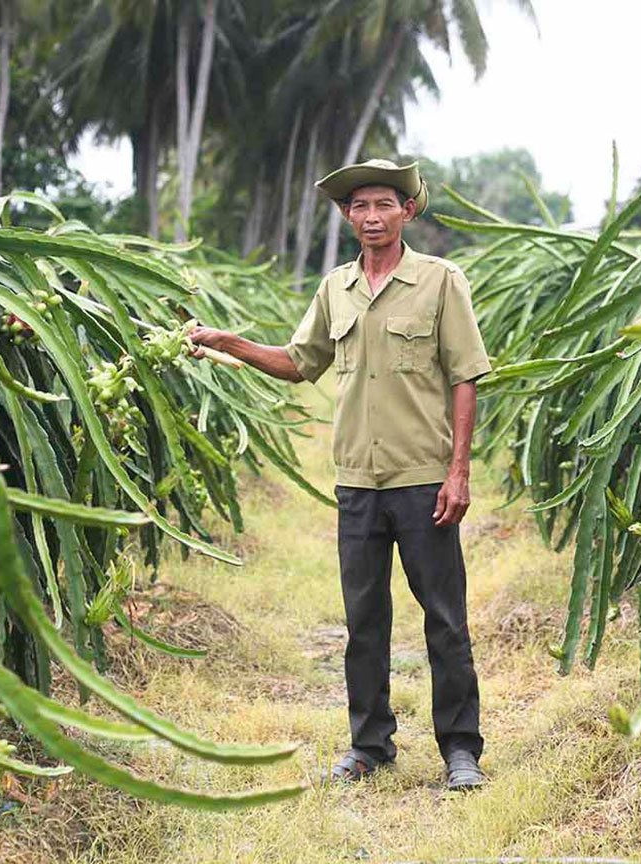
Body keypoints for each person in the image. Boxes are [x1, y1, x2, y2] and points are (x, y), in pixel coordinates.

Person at [188, 158, 492, 791]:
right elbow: (301, 363)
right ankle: (369, 746)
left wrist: (457, 471)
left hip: (421, 478)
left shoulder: (440, 282)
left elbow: (465, 376)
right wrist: (227, 343)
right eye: (360, 207)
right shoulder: (337, 288)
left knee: (444, 616)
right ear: (348, 216)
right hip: (357, 481)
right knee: (364, 620)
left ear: (408, 211)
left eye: (384, 204)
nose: (372, 217)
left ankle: (461, 750)